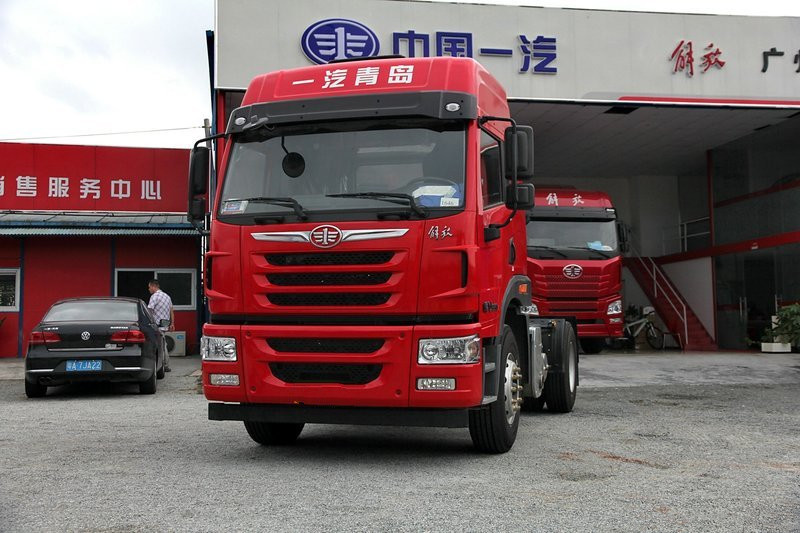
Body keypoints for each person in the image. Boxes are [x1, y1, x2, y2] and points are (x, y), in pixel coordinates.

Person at [147, 279, 174, 372]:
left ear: (154, 286)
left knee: (161, 345)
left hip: (157, 325)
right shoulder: (167, 296)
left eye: (149, 287)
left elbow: (149, 310)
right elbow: (171, 311)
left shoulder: (154, 297)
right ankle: (165, 364)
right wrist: (172, 323)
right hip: (165, 323)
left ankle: (164, 364)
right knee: (163, 343)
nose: (149, 289)